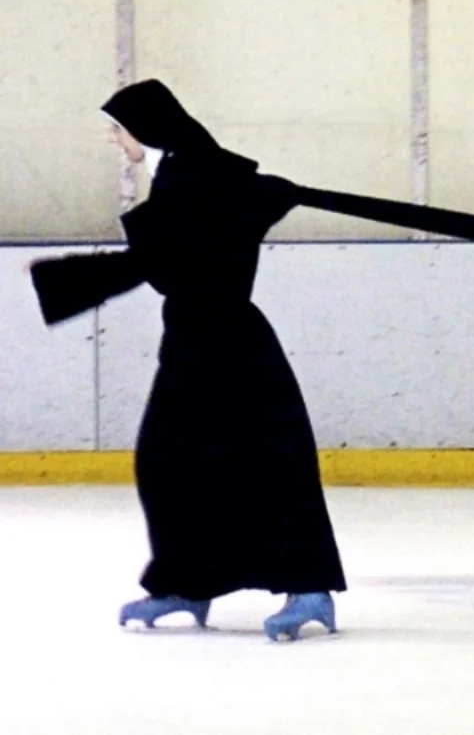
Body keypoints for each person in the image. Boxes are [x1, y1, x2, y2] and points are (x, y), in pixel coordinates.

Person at [28, 80, 343, 641]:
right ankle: (189, 583)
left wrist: (74, 279)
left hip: (229, 344)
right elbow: (176, 251)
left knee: (271, 460)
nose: (113, 138)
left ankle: (310, 588)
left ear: (146, 129)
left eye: (119, 128)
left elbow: (172, 259)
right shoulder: (190, 174)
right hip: (197, 341)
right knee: (171, 461)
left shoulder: (195, 175)